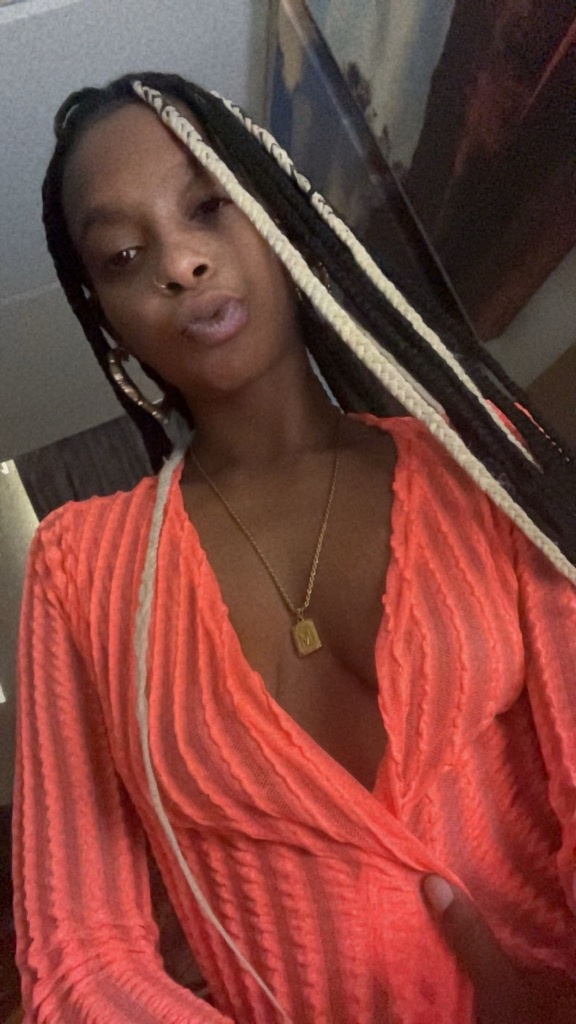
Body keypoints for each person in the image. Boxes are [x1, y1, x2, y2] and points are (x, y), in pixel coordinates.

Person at [12, 70, 576, 1023]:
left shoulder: (483, 459)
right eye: (123, 254)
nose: (179, 263)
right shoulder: (80, 571)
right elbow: (78, 953)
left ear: (278, 211)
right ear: (109, 323)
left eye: (208, 205)